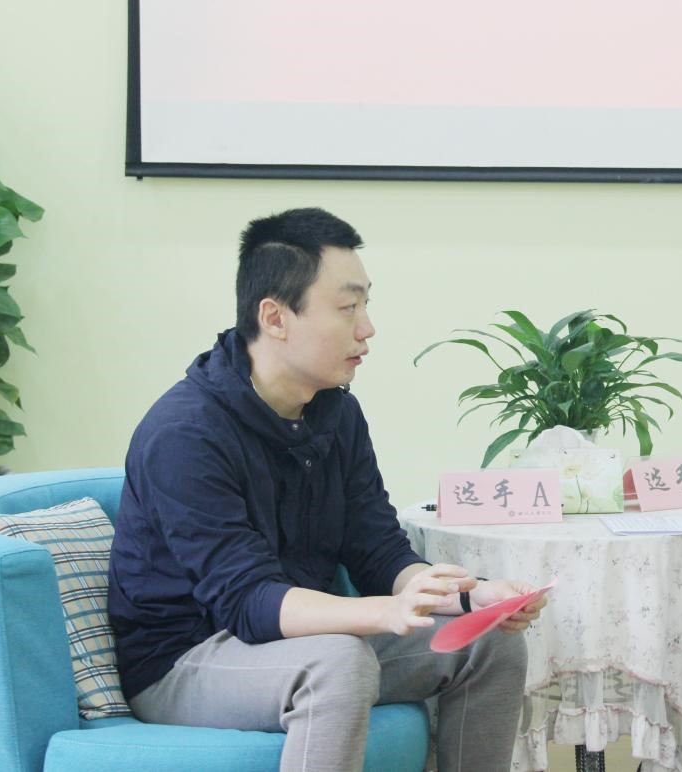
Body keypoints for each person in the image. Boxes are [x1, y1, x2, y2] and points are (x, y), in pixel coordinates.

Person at [108, 207, 546, 772]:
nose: (367, 328)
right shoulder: (184, 433)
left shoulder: (336, 413)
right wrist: (382, 612)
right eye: (347, 308)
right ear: (275, 317)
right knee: (339, 662)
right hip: (186, 660)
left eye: (366, 305)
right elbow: (247, 601)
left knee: (488, 642)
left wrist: (470, 598)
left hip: (299, 643)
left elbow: (376, 549)